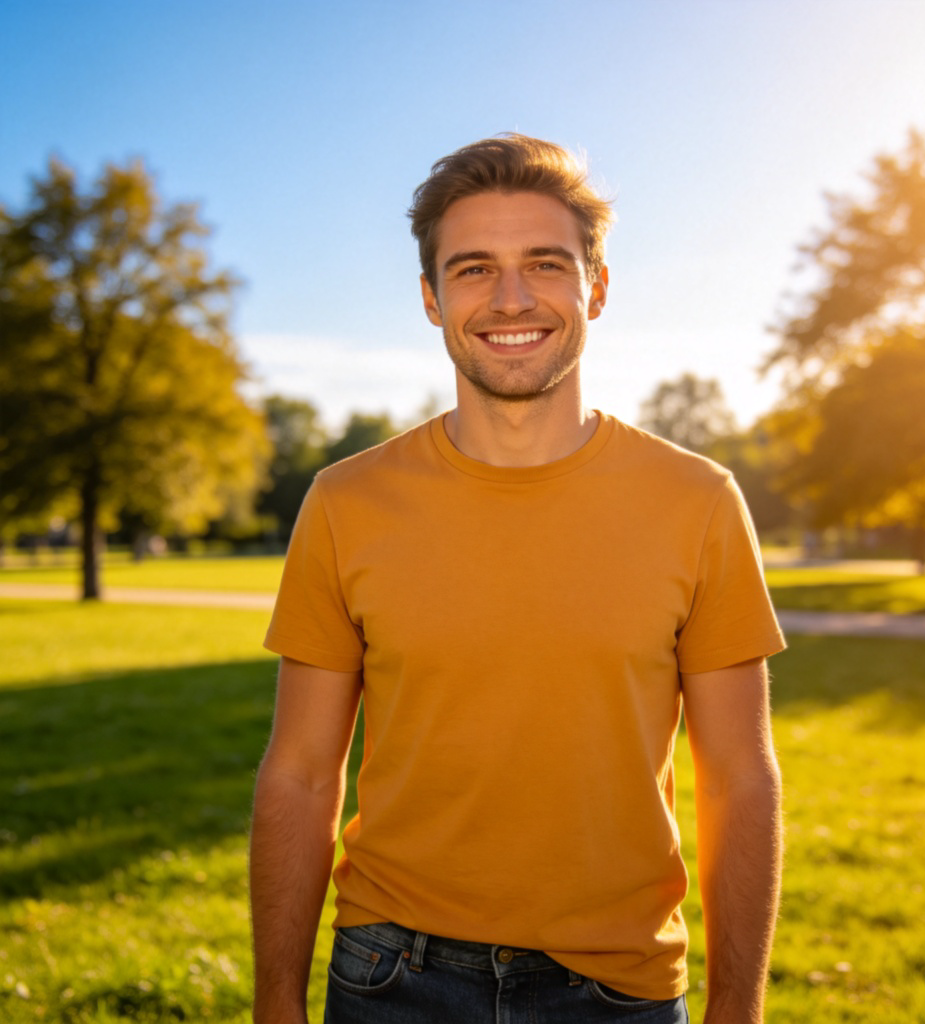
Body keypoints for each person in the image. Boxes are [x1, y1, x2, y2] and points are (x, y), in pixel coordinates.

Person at [249, 134, 785, 1024]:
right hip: (390, 975)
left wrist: (738, 1009)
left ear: (596, 288)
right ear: (430, 298)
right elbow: (302, 774)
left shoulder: (699, 501)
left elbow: (740, 776)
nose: (509, 298)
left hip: (618, 989)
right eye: (471, 270)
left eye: (544, 263)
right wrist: (276, 1003)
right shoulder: (345, 501)